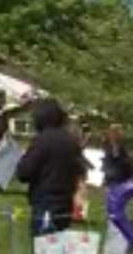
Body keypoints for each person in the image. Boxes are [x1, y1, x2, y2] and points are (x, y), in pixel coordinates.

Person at [14, 98, 85, 238]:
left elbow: (23, 173)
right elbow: (79, 170)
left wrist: (23, 158)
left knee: (43, 253)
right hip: (65, 202)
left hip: (45, 202)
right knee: (59, 252)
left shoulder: (42, 140)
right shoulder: (71, 141)